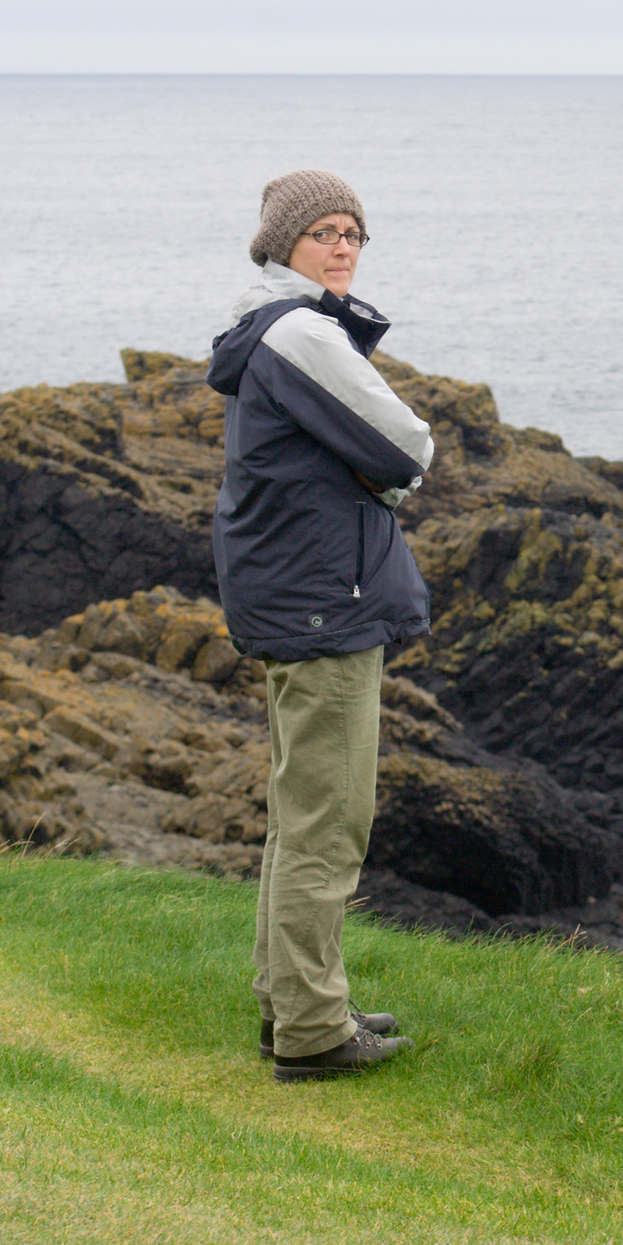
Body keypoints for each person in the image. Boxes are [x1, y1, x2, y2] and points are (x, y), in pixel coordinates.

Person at [207, 169, 434, 1083]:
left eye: (353, 233)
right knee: (328, 823)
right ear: (280, 244)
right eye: (324, 232)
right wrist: (382, 477)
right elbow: (406, 445)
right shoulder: (301, 332)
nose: (342, 246)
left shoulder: (268, 327)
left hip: (295, 594)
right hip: (321, 604)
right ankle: (310, 1032)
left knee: (299, 815)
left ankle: (293, 1004)